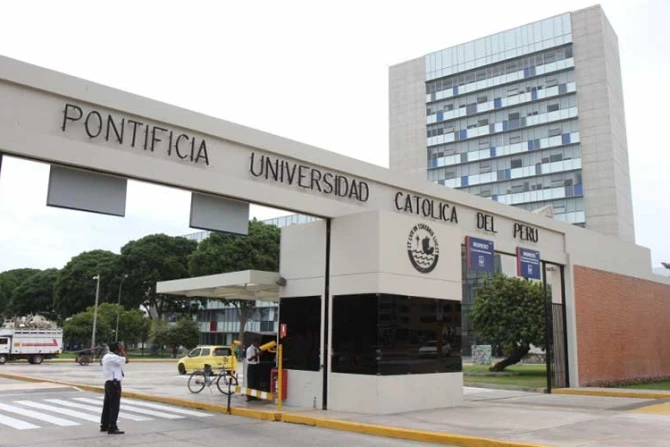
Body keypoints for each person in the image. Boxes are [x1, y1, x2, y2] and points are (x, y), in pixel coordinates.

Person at [100, 341, 129, 435]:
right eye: (120, 347)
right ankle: (112, 427)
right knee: (114, 406)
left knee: (107, 405)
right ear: (116, 349)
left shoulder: (107, 356)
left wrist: (119, 350)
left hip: (109, 382)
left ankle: (104, 425)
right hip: (114, 384)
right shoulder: (113, 357)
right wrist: (122, 350)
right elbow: (126, 360)